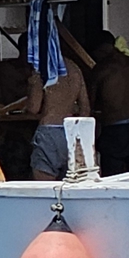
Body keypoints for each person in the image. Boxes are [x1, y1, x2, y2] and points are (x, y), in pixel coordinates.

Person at [24, 46, 92, 183]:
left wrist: (31, 89)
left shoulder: (42, 69)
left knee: (45, 185)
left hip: (49, 131)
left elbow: (33, 108)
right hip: (72, 131)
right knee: (74, 183)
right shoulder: (74, 68)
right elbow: (85, 108)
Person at [87, 33, 129, 176]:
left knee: (114, 178)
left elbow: (90, 103)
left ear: (99, 50)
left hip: (113, 129)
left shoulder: (101, 69)